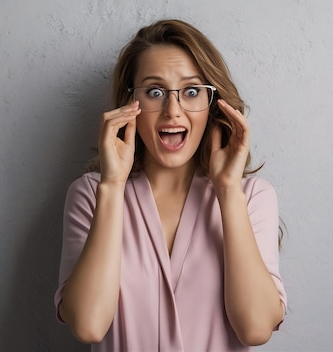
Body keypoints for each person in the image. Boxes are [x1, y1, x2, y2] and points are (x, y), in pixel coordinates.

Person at [54, 19, 287, 351]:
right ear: (128, 105)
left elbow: (255, 330)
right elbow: (89, 326)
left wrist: (228, 192)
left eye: (192, 92)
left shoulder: (252, 197)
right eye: (154, 92)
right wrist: (112, 185)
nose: (173, 111)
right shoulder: (92, 193)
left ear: (214, 105)